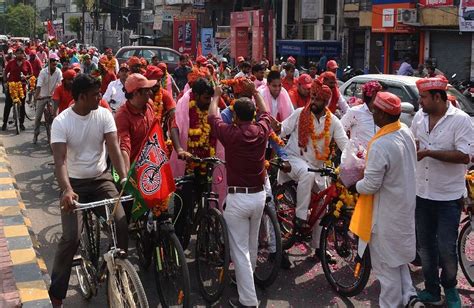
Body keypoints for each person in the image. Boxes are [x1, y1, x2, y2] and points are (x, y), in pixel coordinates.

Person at [48, 74, 128, 308]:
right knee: (71, 238)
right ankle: (56, 294)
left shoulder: (103, 114)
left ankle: (120, 270)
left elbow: (113, 147)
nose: (100, 97)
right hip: (74, 184)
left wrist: (122, 177)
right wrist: (66, 190)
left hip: (101, 179)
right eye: (95, 94)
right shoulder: (62, 122)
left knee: (121, 221)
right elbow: (60, 161)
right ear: (81, 97)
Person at [350, 91, 422, 308]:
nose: (372, 114)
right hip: (403, 210)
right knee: (398, 260)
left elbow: (371, 185)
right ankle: (410, 297)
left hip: (385, 217)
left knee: (386, 270)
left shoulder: (382, 144)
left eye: (375, 111)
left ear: (382, 114)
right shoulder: (405, 131)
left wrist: (355, 185)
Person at [411, 77, 473, 308]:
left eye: (423, 98)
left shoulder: (461, 121)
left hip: (448, 197)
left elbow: (464, 156)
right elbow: (413, 142)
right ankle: (431, 289)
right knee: (425, 246)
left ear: (437, 97)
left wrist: (428, 153)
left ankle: (450, 287)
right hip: (422, 193)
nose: (420, 102)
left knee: (446, 248)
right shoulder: (420, 117)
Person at [208, 84, 271, 308]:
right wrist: (255, 93)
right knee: (251, 245)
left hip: (238, 199)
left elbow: (212, 117)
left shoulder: (231, 133)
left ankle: (248, 300)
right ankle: (248, 285)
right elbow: (266, 114)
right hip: (259, 197)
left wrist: (216, 96)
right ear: (252, 115)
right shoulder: (262, 130)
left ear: (234, 116)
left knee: (241, 251)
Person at [276, 79, 348, 250]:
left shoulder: (333, 122)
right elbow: (282, 129)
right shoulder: (300, 113)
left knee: (323, 207)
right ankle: (300, 218)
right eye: (313, 98)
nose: (314, 102)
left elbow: (345, 144)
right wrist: (273, 125)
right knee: (306, 173)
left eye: (318, 100)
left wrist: (355, 157)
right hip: (295, 159)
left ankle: (318, 249)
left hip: (318, 168)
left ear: (326, 102)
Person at [341, 81, 383, 148]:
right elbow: (340, 131)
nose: (381, 97)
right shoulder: (355, 111)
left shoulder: (382, 114)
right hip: (358, 156)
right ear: (373, 95)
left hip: (376, 155)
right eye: (379, 94)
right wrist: (348, 150)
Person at [33, 53, 63, 143]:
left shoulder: (58, 71)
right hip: (42, 96)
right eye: (53, 61)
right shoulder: (43, 72)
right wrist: (37, 96)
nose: (55, 63)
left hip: (53, 96)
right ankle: (35, 134)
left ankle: (57, 135)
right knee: (38, 117)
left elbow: (60, 84)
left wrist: (59, 95)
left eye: (56, 61)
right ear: (49, 62)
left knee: (56, 116)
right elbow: (39, 85)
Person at [2, 47, 33, 131]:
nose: (19, 55)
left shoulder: (27, 63)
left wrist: (25, 77)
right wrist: (5, 81)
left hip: (22, 87)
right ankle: (4, 123)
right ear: (15, 54)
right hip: (11, 86)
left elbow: (31, 74)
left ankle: (21, 123)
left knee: (22, 105)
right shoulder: (11, 63)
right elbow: (5, 72)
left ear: (23, 54)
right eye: (18, 53)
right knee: (8, 105)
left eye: (21, 53)